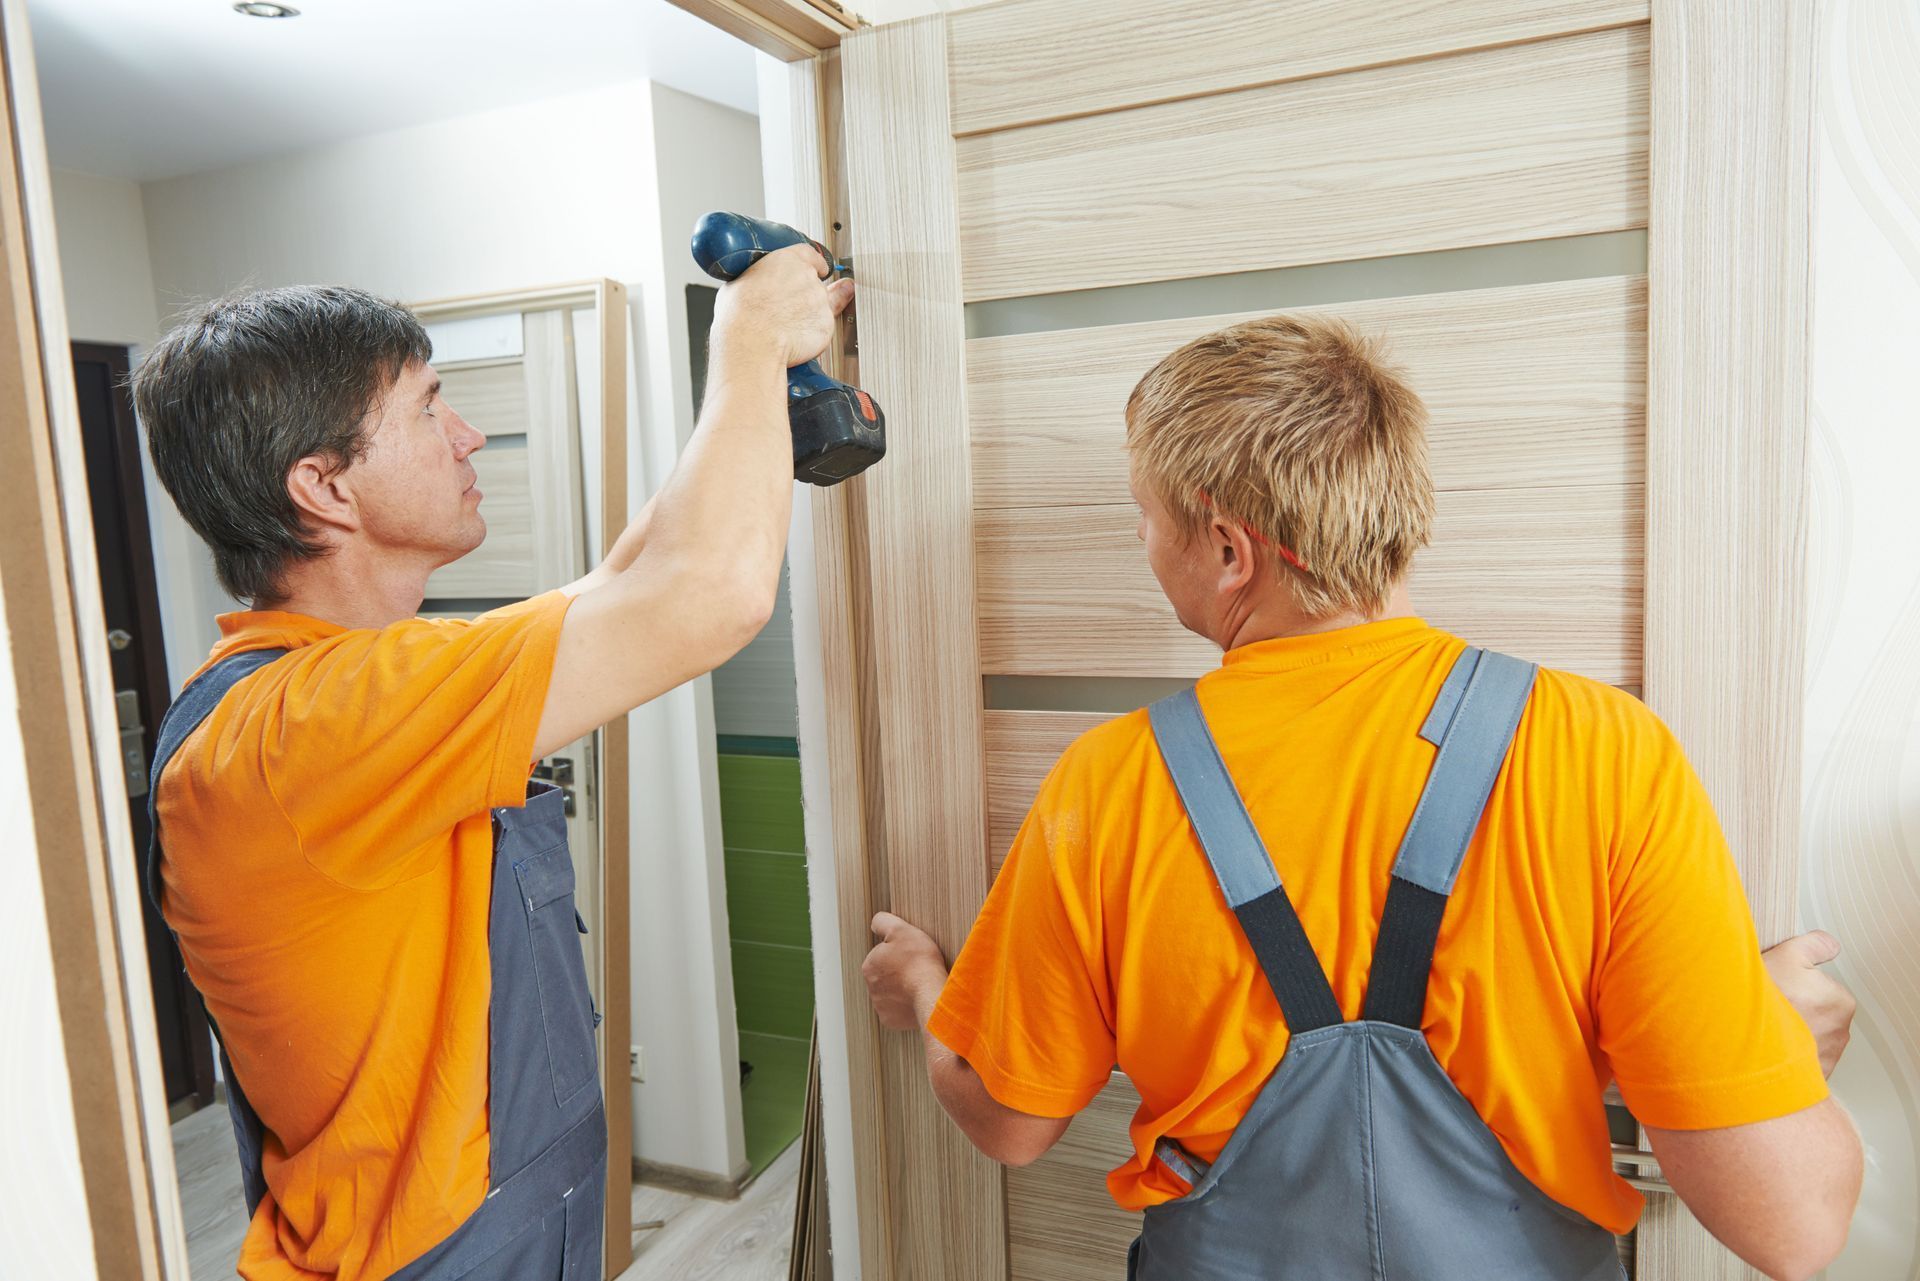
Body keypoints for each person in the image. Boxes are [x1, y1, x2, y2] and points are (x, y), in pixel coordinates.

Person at [862, 315, 1863, 1280]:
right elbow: (1794, 1229)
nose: (1142, 540)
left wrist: (926, 990)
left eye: (1145, 516)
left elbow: (1009, 1121)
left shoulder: (1111, 781)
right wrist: (1766, 1030)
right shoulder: (1602, 749)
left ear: (1229, 550)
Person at [136, 248, 847, 1281]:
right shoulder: (315, 723)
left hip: (491, 1222)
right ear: (323, 486)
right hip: (433, 1257)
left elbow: (625, 581)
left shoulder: (336, 685)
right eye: (429, 409)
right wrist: (744, 336)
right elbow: (711, 598)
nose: (466, 434)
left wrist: (757, 387)